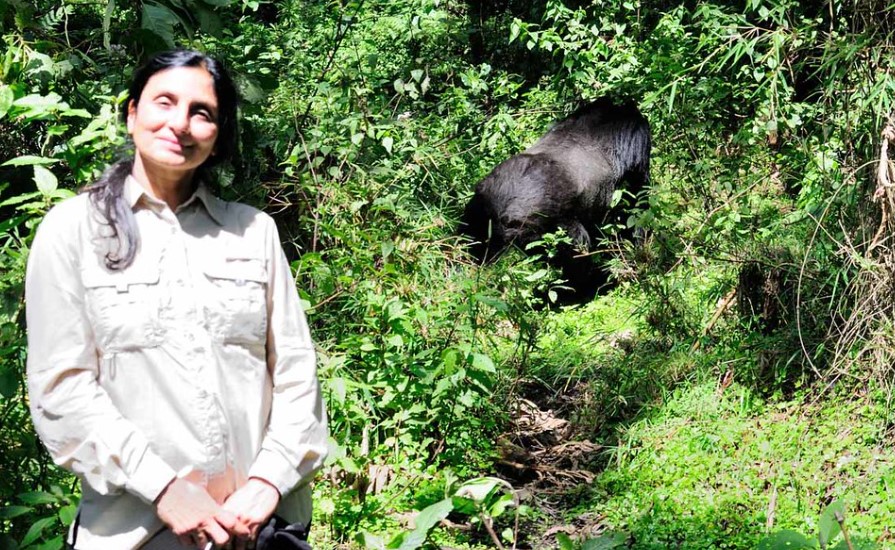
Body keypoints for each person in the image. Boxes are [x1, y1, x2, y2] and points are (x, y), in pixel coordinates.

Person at [25, 49, 328, 549]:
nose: (180, 124)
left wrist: (267, 482)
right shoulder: (73, 231)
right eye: (164, 102)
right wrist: (162, 487)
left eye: (201, 112)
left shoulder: (252, 232)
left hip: (255, 531)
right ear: (132, 113)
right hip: (136, 535)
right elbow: (61, 388)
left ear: (218, 132)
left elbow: (297, 375)